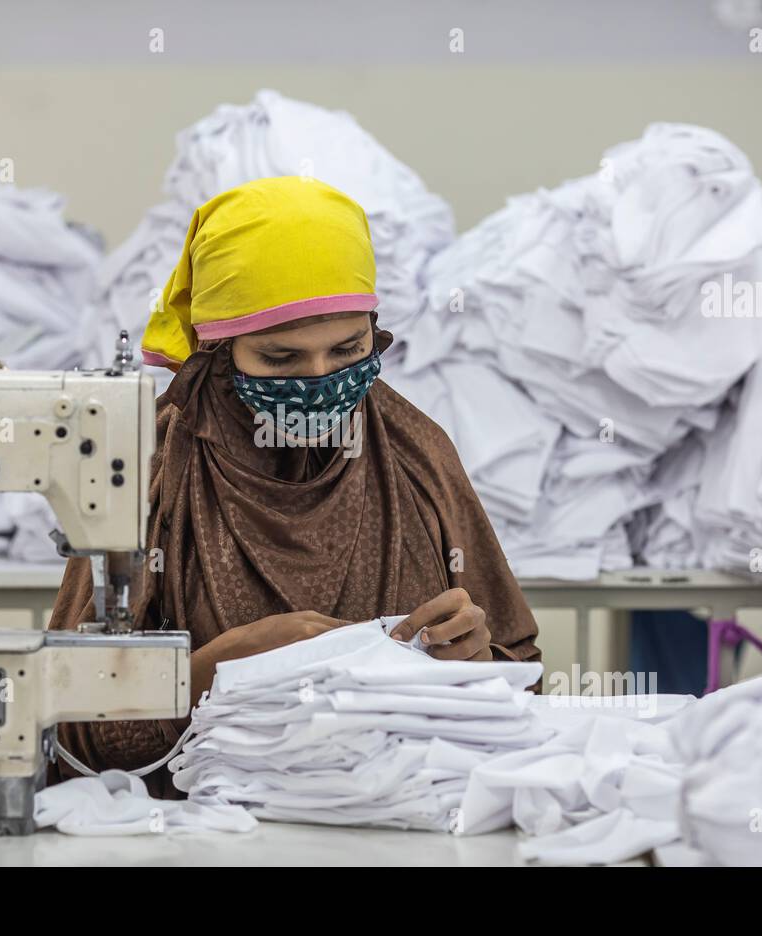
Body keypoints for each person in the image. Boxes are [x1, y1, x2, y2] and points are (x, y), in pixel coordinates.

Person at [48, 176, 539, 793]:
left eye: (347, 349)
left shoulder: (417, 455)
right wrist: (217, 667)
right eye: (281, 359)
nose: (319, 379)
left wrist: (475, 663)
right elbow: (71, 730)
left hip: (393, 824)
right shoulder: (147, 467)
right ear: (218, 351)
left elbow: (526, 682)